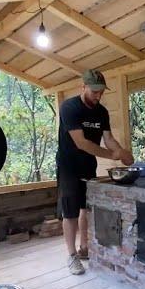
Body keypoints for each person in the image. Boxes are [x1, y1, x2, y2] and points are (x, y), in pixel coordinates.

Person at [56, 69, 134, 275]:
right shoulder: (69, 107)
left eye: (101, 92)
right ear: (83, 87)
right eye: (94, 91)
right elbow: (81, 143)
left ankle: (85, 248)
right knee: (70, 211)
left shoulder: (102, 112)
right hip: (68, 166)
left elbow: (108, 138)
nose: (98, 96)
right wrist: (112, 156)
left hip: (87, 165)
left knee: (85, 208)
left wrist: (122, 151)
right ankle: (72, 256)